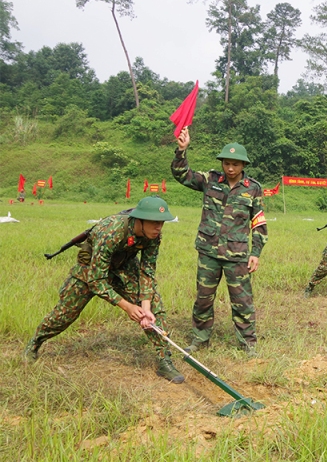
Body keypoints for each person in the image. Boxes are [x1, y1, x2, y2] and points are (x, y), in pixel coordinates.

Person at [23, 197, 184, 383]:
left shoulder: (153, 236)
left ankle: (164, 359)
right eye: (155, 222)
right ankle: (35, 342)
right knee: (63, 315)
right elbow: (96, 280)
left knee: (154, 306)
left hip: (123, 266)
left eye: (162, 223)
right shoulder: (112, 232)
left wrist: (145, 306)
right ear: (140, 220)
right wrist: (127, 306)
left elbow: (147, 270)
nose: (159, 227)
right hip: (90, 270)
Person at [172, 127, 267, 355]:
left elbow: (258, 222)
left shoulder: (253, 189)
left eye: (235, 164)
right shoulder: (210, 180)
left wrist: (256, 252)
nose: (230, 168)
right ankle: (200, 338)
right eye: (226, 163)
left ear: (244, 165)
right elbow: (182, 175)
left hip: (237, 255)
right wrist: (181, 151)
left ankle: (247, 343)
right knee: (203, 299)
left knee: (242, 300)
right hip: (209, 253)